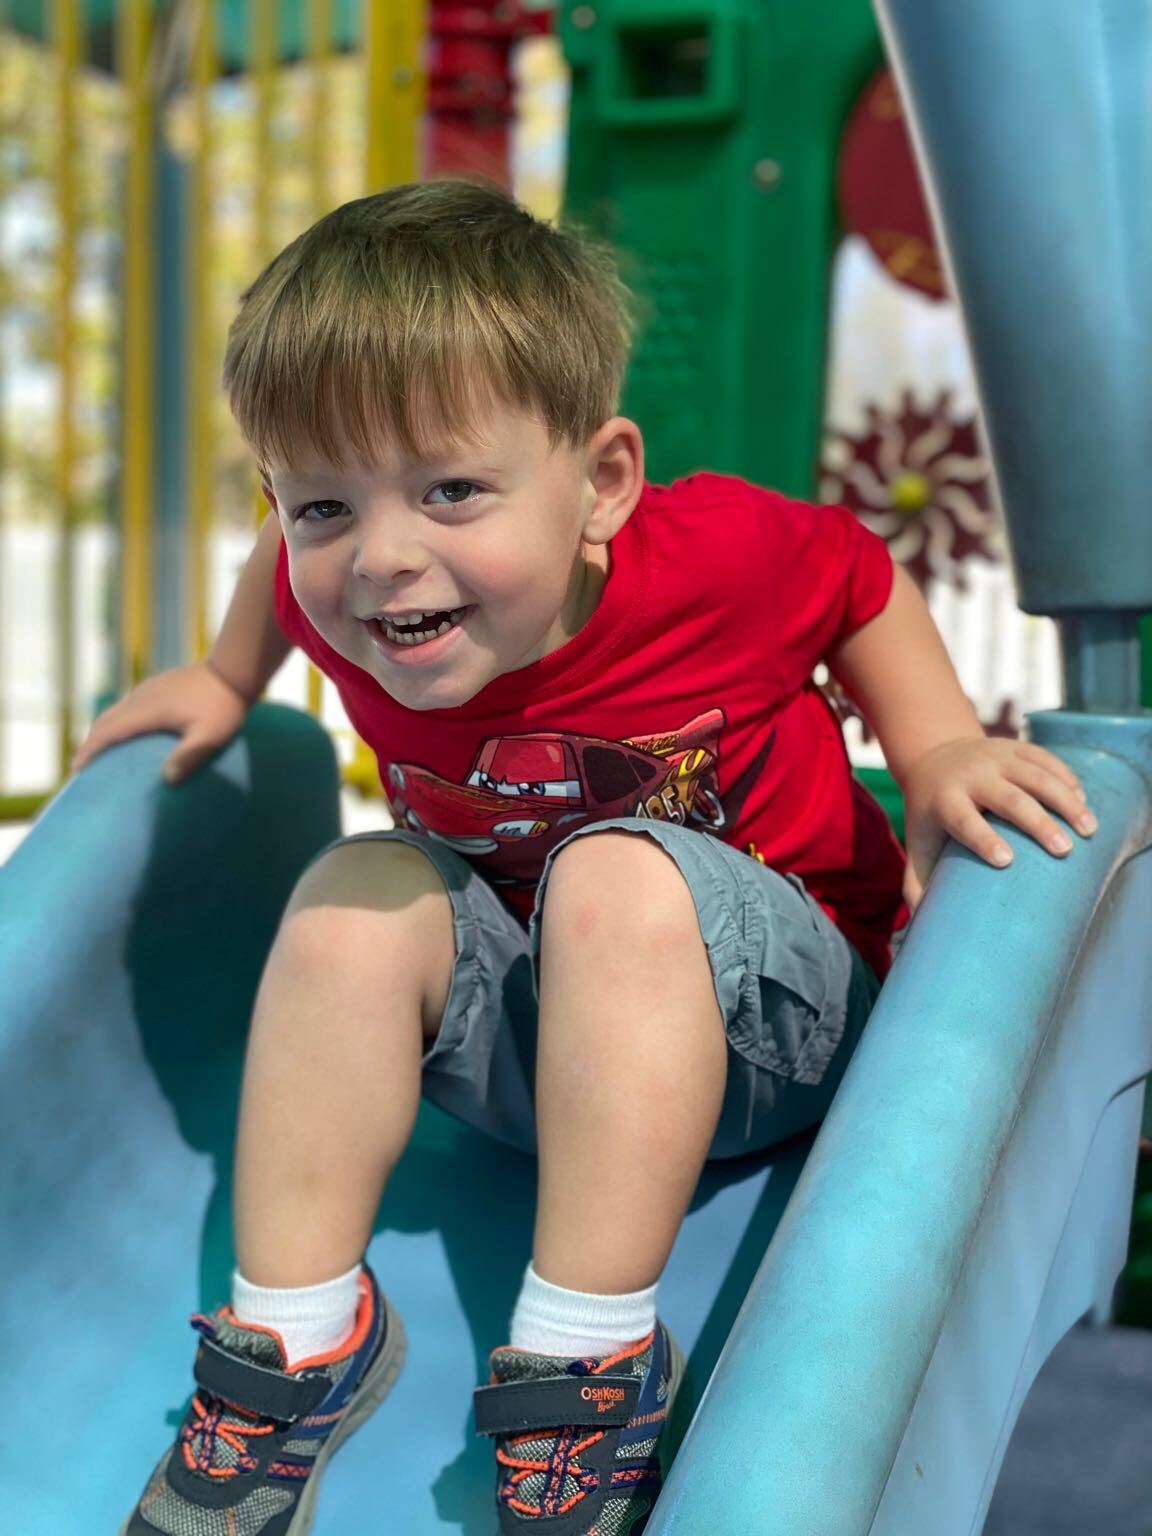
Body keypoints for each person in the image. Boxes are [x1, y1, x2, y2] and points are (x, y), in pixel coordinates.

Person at [76, 179, 1097, 1536]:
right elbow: (279, 563)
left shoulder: (714, 559)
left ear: (603, 484)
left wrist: (936, 748)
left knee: (618, 872)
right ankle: (296, 1342)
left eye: (450, 489)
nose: (381, 557)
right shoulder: (346, 585)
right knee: (348, 893)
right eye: (325, 505)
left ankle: (586, 1364)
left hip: (772, 1030)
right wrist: (225, 677)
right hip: (539, 1043)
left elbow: (855, 574)